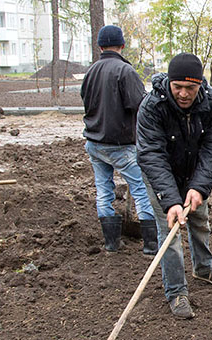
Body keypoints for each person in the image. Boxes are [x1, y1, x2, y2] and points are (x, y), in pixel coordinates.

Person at [137, 53, 212, 319]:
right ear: (169, 81)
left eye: (190, 87)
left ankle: (204, 269)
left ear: (201, 84)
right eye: (177, 86)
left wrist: (199, 187)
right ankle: (176, 291)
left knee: (200, 220)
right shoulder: (152, 105)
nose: (183, 93)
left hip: (194, 172)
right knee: (171, 233)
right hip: (160, 173)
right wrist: (170, 201)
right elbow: (151, 154)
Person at [80, 25, 157, 255]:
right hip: (121, 144)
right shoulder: (125, 71)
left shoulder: (90, 72)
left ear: (100, 46)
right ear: (122, 46)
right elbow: (140, 106)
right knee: (141, 189)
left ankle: (111, 243)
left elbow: (86, 100)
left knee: (103, 191)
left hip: (94, 142)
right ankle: (151, 245)